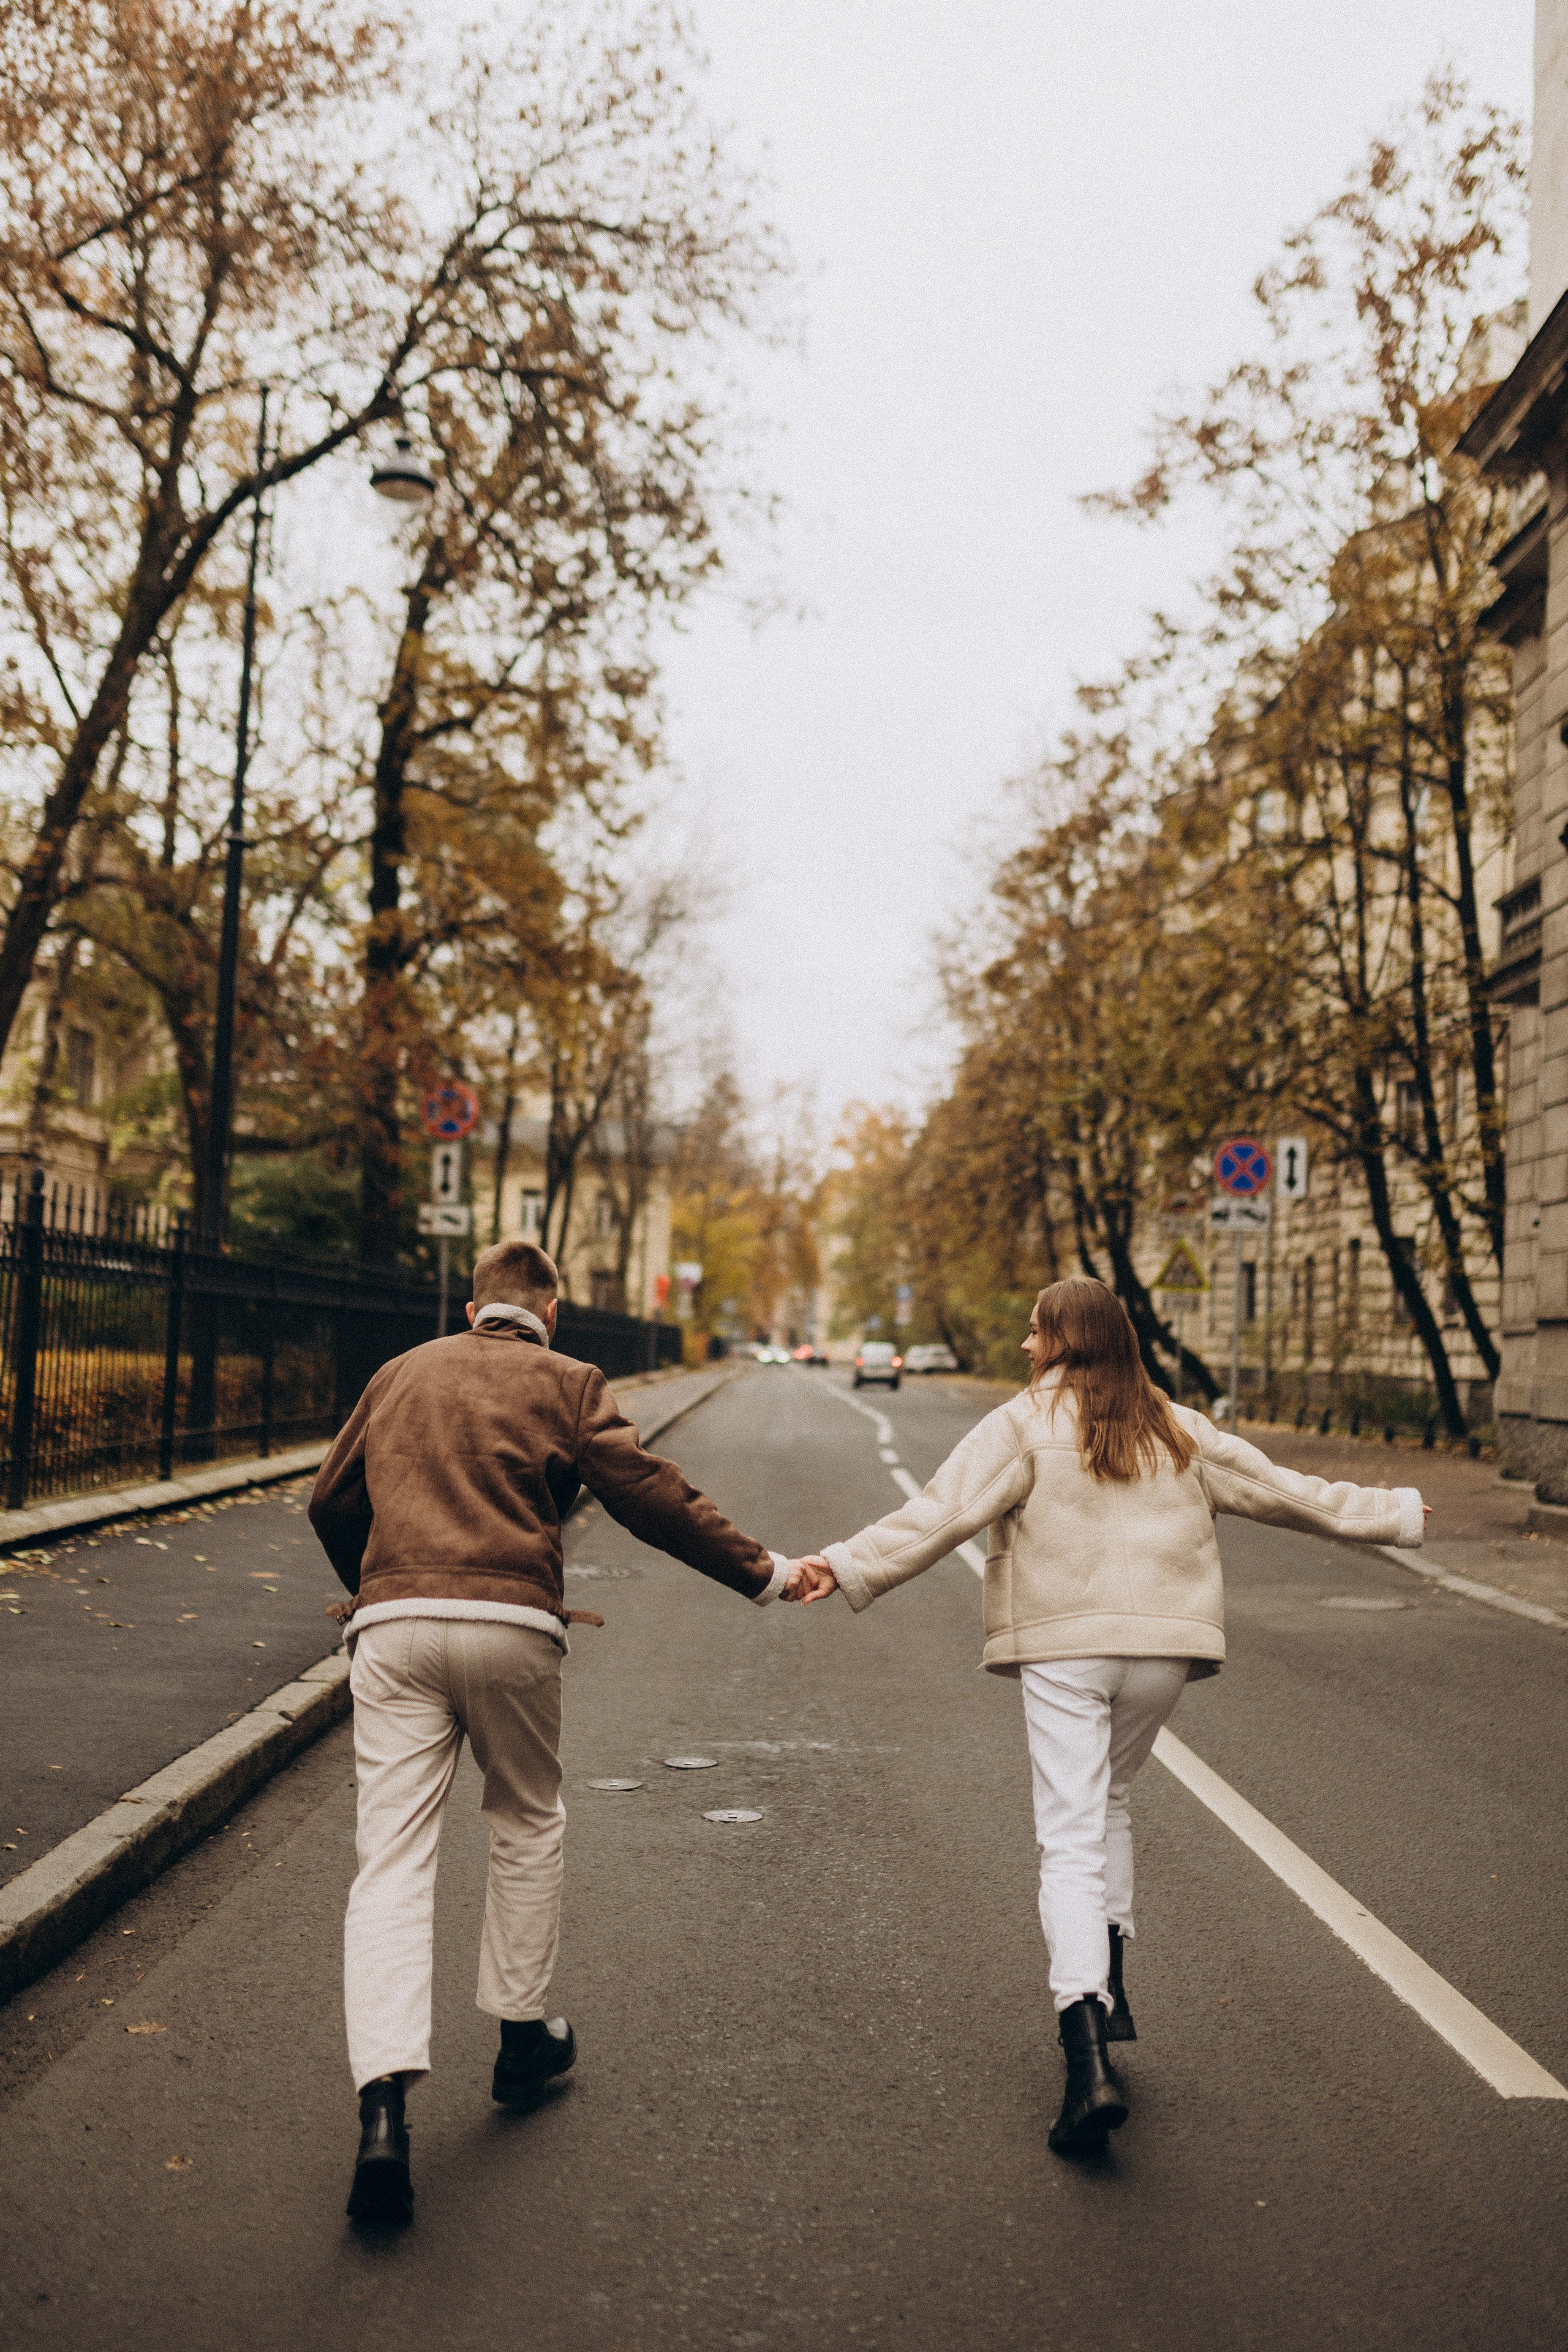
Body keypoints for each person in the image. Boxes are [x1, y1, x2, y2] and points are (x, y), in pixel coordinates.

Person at [794, 1276, 1428, 2157]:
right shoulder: (1175, 1424)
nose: (1024, 1346)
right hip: (1163, 1652)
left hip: (1067, 1648)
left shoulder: (1022, 1425)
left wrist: (841, 1565)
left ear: (1065, 1339)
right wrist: (1393, 1513)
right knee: (1112, 1801)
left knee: (1069, 1837)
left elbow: (934, 1516)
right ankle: (1116, 1988)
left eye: (1034, 1330)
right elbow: (1287, 1493)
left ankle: (1084, 2049)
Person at [309, 1237, 815, 2226]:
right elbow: (652, 1498)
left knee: (393, 1863)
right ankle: (522, 2036)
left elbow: (330, 1499)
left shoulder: (398, 1373)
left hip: (394, 1628)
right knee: (525, 1819)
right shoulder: (570, 1381)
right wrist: (763, 1572)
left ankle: (382, 2108)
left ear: (470, 1311)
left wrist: (377, 1591)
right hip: (513, 1631)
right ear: (552, 1314)